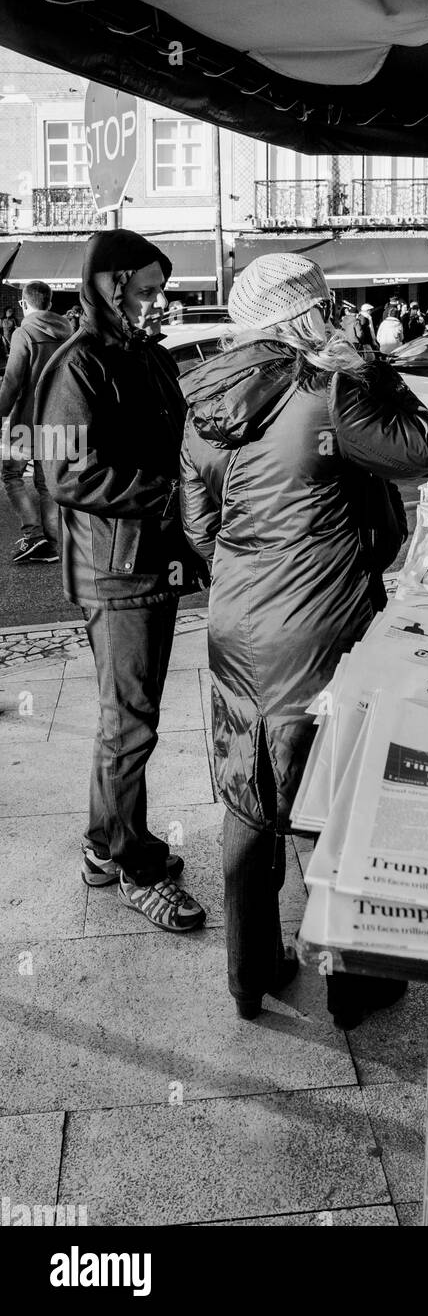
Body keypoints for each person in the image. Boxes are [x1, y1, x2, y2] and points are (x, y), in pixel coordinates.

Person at [178, 252, 428, 1024]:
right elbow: (423, 451)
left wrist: (255, 572)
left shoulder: (203, 400)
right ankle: (354, 981)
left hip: (238, 623)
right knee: (340, 798)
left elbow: (200, 530)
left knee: (250, 788)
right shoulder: (325, 390)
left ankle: (250, 973)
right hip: (322, 626)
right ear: (305, 317)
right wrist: (372, 370)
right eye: (330, 309)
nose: (339, 320)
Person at [33, 229, 207, 928]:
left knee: (132, 717)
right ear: (109, 284)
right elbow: (62, 471)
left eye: (159, 291)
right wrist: (166, 495)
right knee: (128, 723)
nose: (155, 303)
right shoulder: (71, 365)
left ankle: (107, 845)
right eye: (145, 290)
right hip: (114, 567)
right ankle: (131, 864)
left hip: (151, 558)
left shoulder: (148, 357)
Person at [0, 280, 72, 563]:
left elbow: (12, 381)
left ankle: (33, 535)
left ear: (24, 304)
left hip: (28, 420)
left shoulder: (24, 332)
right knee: (47, 482)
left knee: (11, 474)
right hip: (62, 419)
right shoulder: (70, 331)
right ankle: (51, 542)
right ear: (50, 303)